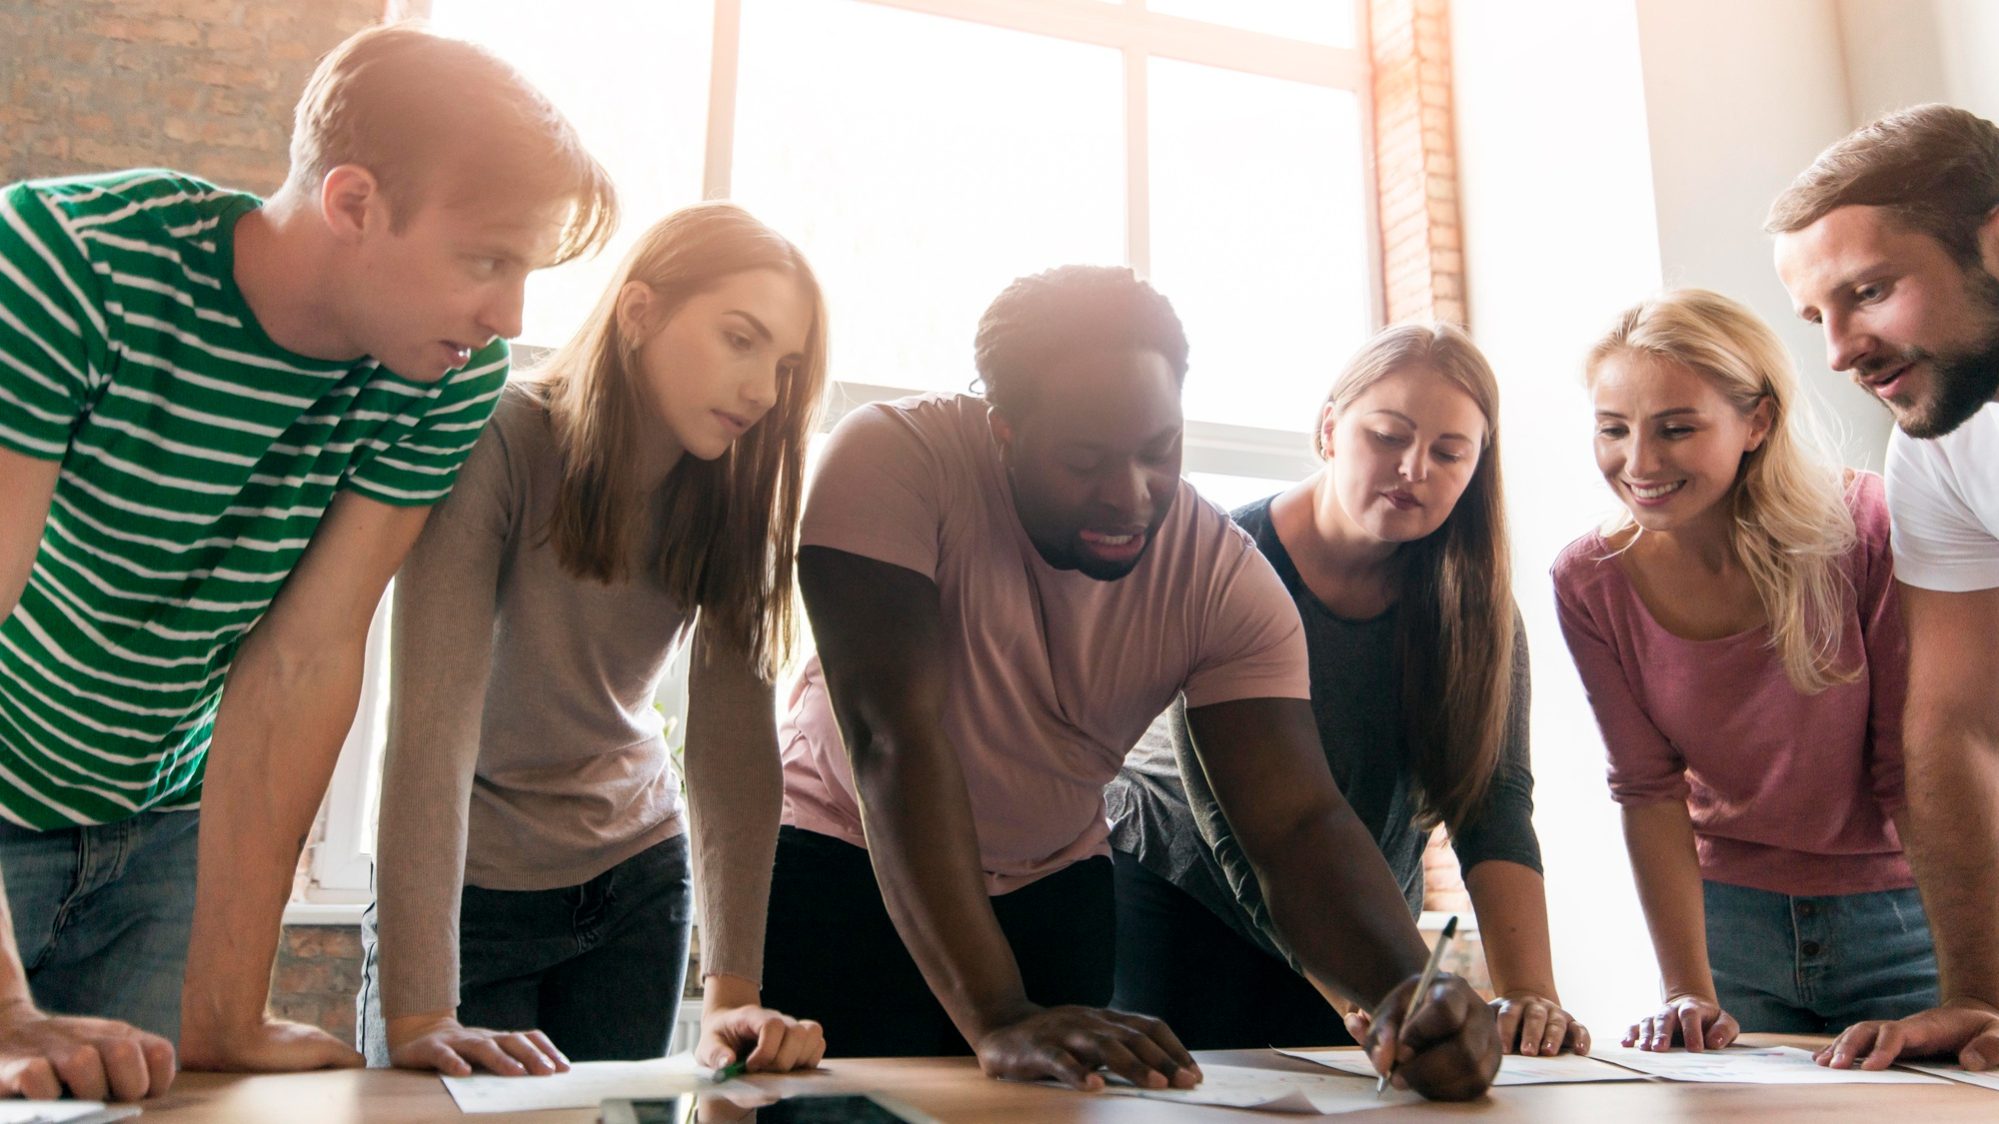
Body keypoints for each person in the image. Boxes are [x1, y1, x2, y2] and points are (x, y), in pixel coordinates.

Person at [0, 22, 615, 1100]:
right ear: (352, 204)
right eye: (487, 260)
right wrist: (7, 1008)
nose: (510, 315)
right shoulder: (67, 264)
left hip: (160, 827)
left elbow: (306, 656)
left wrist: (228, 1011)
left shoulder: (441, 374)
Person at [762, 265, 1499, 1101]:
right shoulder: (891, 458)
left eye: (1159, 452)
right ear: (1002, 431)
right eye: (1085, 460)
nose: (1130, 494)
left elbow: (1295, 823)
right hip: (845, 857)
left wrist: (1412, 991)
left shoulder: (1221, 579)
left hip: (1052, 884)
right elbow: (892, 736)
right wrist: (998, 1011)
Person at [359, 204, 828, 1078]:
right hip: (471, 893)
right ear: (639, 310)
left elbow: (730, 749)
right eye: (740, 339)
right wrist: (421, 1009)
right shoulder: (498, 437)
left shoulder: (733, 497)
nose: (765, 389)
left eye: (785, 364)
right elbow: (432, 729)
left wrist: (731, 993)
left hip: (635, 888)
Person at [1107, 323, 1584, 1057]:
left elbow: (1493, 801)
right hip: (1180, 894)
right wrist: (1358, 991)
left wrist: (1530, 994)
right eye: (1388, 436)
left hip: (1360, 919)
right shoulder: (1227, 564)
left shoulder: (1477, 610)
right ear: (1330, 429)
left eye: (1449, 452)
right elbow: (1236, 831)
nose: (1413, 469)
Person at [1553, 289, 1934, 1052]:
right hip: (1728, 923)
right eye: (1612, 430)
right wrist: (1686, 989)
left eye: (1676, 429)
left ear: (1755, 422)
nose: (1638, 462)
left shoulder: (1864, 529)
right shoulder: (1588, 577)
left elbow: (1914, 761)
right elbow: (1644, 785)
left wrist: (1978, 978)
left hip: (1906, 914)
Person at [1770, 103, 1999, 1071]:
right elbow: (1956, 724)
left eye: (1868, 290)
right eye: (1817, 316)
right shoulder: (1937, 453)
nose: (1837, 350)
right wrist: (1982, 996)